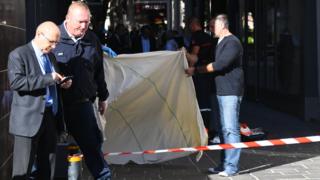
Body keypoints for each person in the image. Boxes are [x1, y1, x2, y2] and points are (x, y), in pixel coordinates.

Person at [51, 2, 111, 179]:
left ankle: (103, 177)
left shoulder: (92, 39)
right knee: (50, 150)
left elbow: (99, 72)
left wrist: (103, 96)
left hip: (82, 105)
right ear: (68, 19)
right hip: (57, 106)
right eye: (80, 22)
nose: (83, 26)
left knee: (93, 146)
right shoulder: (54, 37)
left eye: (87, 22)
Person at [7, 21, 72, 179]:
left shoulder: (50, 55)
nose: (54, 47)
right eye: (52, 42)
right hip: (27, 121)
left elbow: (51, 81)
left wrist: (61, 83)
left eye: (56, 43)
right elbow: (16, 82)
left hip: (49, 117)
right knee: (23, 171)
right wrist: (49, 78)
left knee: (47, 167)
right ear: (39, 35)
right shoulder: (19, 54)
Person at [185, 14, 244, 177]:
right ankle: (223, 164)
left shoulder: (232, 42)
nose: (210, 29)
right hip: (221, 91)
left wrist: (196, 70)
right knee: (223, 129)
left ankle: (232, 166)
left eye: (213, 26)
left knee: (231, 129)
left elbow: (220, 64)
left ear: (223, 26)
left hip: (231, 91)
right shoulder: (220, 42)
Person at [185, 17, 214, 132]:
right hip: (207, 72)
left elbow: (194, 57)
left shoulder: (196, 37)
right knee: (206, 100)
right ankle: (207, 128)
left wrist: (185, 53)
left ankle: (202, 129)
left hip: (199, 72)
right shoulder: (208, 37)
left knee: (200, 101)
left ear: (193, 25)